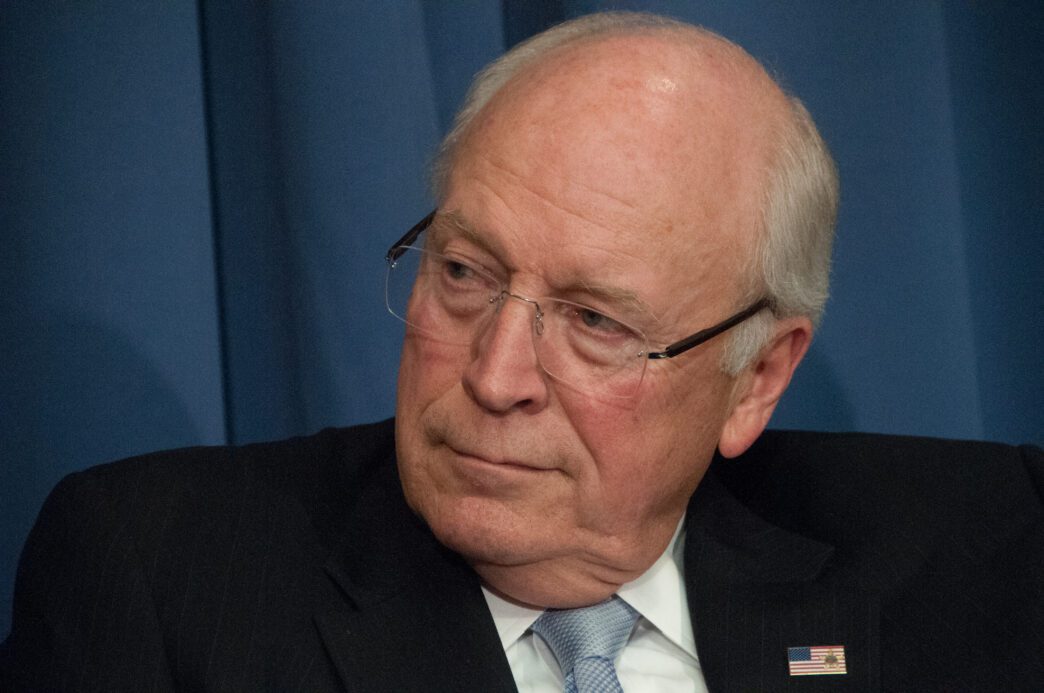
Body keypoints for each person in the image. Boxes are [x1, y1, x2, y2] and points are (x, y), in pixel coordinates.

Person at [2, 11, 1041, 692]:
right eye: (463, 273)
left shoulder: (993, 549)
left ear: (756, 380)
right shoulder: (159, 584)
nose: (493, 379)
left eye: (596, 322)